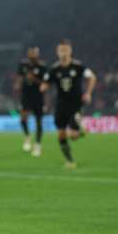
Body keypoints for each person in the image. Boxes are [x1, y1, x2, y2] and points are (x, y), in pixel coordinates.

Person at [41, 39, 96, 169]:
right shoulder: (54, 69)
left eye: (65, 50)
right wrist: (43, 87)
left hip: (76, 105)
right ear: (57, 52)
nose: (63, 53)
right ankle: (69, 160)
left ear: (70, 51)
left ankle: (78, 131)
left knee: (73, 136)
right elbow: (45, 84)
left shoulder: (78, 66)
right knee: (61, 134)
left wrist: (88, 93)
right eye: (61, 50)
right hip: (60, 105)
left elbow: (92, 77)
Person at [15, 46, 47, 157]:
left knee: (39, 121)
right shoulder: (23, 65)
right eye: (30, 53)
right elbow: (19, 77)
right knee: (23, 118)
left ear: (37, 54)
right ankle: (27, 137)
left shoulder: (42, 67)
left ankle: (37, 144)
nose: (32, 55)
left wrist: (34, 79)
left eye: (34, 53)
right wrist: (17, 84)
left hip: (38, 97)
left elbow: (46, 83)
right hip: (26, 96)